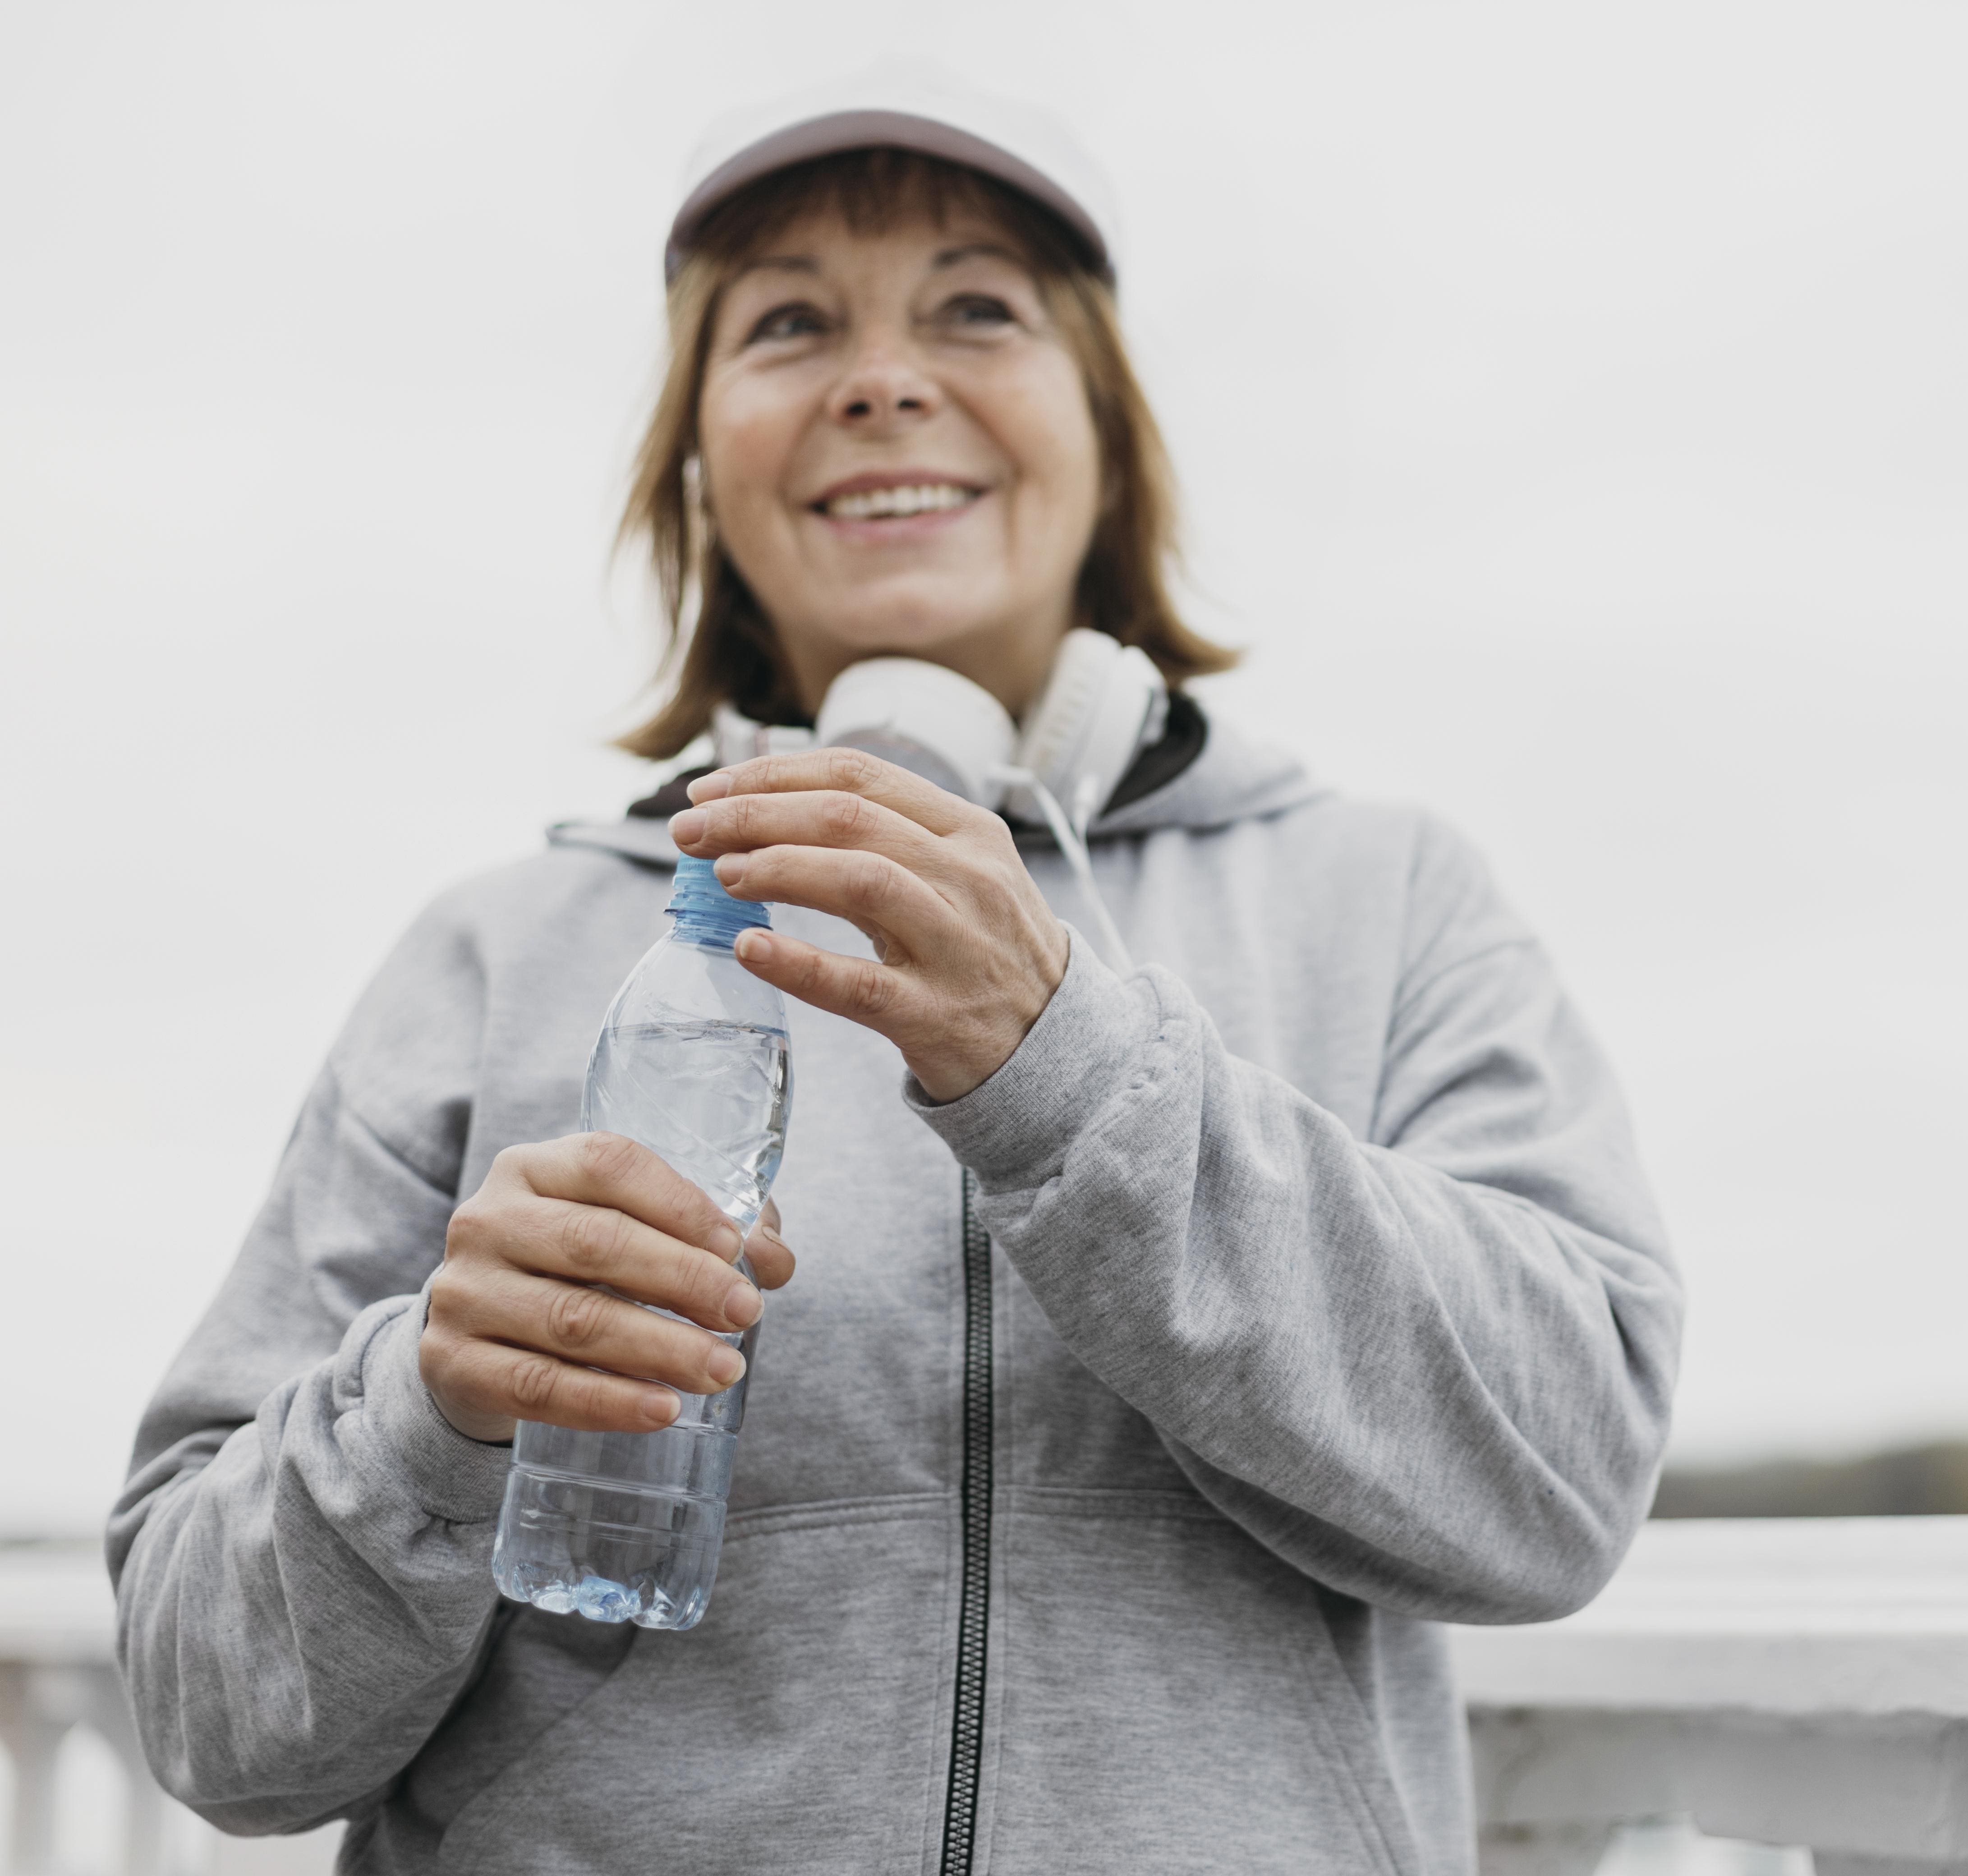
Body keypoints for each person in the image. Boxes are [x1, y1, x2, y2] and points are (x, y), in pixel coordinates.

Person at [108, 71, 1681, 1876]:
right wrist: (434, 1407)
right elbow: (207, 1711)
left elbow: (1565, 1484)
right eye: (788, 322)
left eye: (976, 307)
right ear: (699, 466)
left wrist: (1073, 1071)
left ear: (1105, 433)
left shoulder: (1386, 897)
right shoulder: (488, 956)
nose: (881, 376)